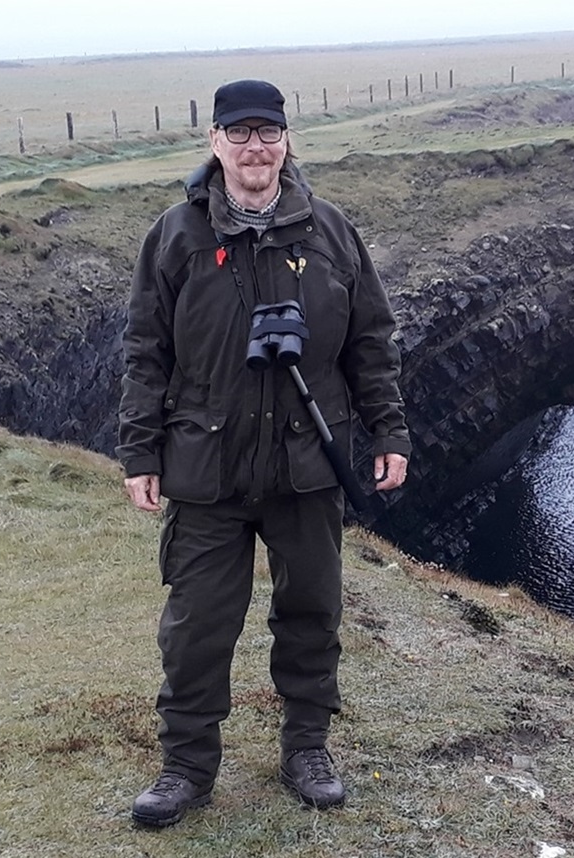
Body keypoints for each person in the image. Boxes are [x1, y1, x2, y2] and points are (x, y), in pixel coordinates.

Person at [116, 78, 411, 827]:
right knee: (196, 627)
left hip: (307, 467)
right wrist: (139, 452)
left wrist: (390, 432)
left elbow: (370, 344)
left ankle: (306, 748)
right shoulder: (177, 236)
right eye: (240, 134)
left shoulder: (332, 232)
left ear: (287, 141)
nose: (256, 148)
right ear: (214, 142)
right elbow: (145, 353)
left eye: (268, 133)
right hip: (204, 469)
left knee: (311, 613)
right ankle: (186, 767)